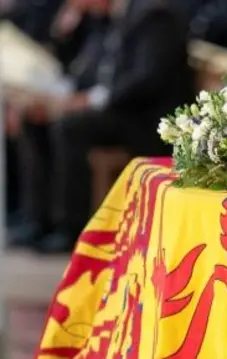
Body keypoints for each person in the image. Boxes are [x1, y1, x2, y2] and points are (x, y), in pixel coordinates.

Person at [10, 0, 195, 254]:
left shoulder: (154, 15)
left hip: (145, 117)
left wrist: (92, 100)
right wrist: (65, 34)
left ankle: (72, 226)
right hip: (114, 108)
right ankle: (39, 219)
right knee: (35, 118)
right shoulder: (103, 19)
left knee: (69, 127)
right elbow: (84, 69)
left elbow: (147, 79)